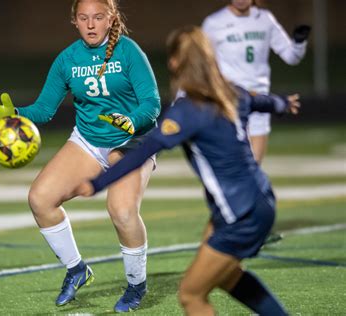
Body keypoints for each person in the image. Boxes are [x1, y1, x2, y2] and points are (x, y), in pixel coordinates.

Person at [75, 26, 300, 315]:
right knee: (229, 276)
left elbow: (143, 151)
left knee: (191, 295)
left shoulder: (187, 110)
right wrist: (283, 104)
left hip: (239, 213)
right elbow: (261, 101)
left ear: (174, 63)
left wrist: (96, 183)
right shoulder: (231, 93)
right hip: (261, 198)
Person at [0, 0, 160, 312]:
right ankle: (77, 269)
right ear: (74, 21)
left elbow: (152, 103)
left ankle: (136, 285)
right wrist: (16, 114)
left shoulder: (129, 51)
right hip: (89, 141)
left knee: (122, 210)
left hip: (133, 141)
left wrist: (131, 121)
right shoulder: (67, 59)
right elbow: (45, 109)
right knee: (40, 198)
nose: (91, 24)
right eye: (83, 18)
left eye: (98, 17)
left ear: (111, 18)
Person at [202, 0, 310, 164]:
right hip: (230, 100)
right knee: (229, 165)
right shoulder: (214, 23)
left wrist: (298, 43)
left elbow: (291, 57)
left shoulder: (265, 19)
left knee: (254, 166)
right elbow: (201, 63)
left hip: (260, 100)